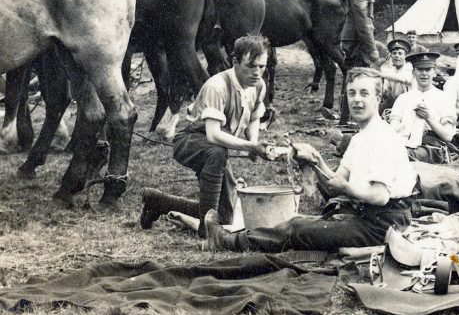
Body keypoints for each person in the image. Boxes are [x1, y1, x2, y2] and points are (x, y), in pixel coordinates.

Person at [204, 67, 418, 253]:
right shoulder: (360, 138)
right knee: (299, 222)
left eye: (364, 93)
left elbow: (379, 196)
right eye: (352, 93)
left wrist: (346, 188)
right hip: (368, 216)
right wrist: (315, 159)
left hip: (384, 227)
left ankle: (226, 241)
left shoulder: (382, 138)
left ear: (378, 99)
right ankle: (231, 238)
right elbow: (334, 184)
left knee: (298, 229)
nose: (357, 100)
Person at [139, 35, 273, 237]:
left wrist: (253, 143)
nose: (257, 72)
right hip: (191, 140)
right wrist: (249, 147)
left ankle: (159, 202)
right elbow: (213, 135)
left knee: (225, 216)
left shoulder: (258, 85)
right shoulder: (217, 86)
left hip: (217, 147)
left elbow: (254, 117)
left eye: (262, 66)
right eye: (251, 66)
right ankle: (206, 229)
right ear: (235, 62)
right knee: (217, 152)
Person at [389, 52, 459, 163]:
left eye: (428, 69)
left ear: (434, 72)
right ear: (413, 72)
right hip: (403, 142)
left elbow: (448, 136)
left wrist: (429, 118)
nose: (424, 73)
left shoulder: (444, 98)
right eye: (420, 69)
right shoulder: (403, 98)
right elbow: (393, 129)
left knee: (402, 155)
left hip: (432, 147)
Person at [341, 0, 380, 71]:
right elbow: (362, 21)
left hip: (357, 38)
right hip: (357, 39)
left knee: (355, 74)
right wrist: (372, 48)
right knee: (360, 74)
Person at [378, 37, 414, 113]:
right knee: (375, 111)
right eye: (394, 53)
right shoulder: (390, 70)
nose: (397, 56)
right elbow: (386, 91)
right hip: (393, 101)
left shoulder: (410, 68)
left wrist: (382, 74)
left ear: (405, 56)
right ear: (391, 56)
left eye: (400, 53)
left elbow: (404, 79)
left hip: (409, 103)